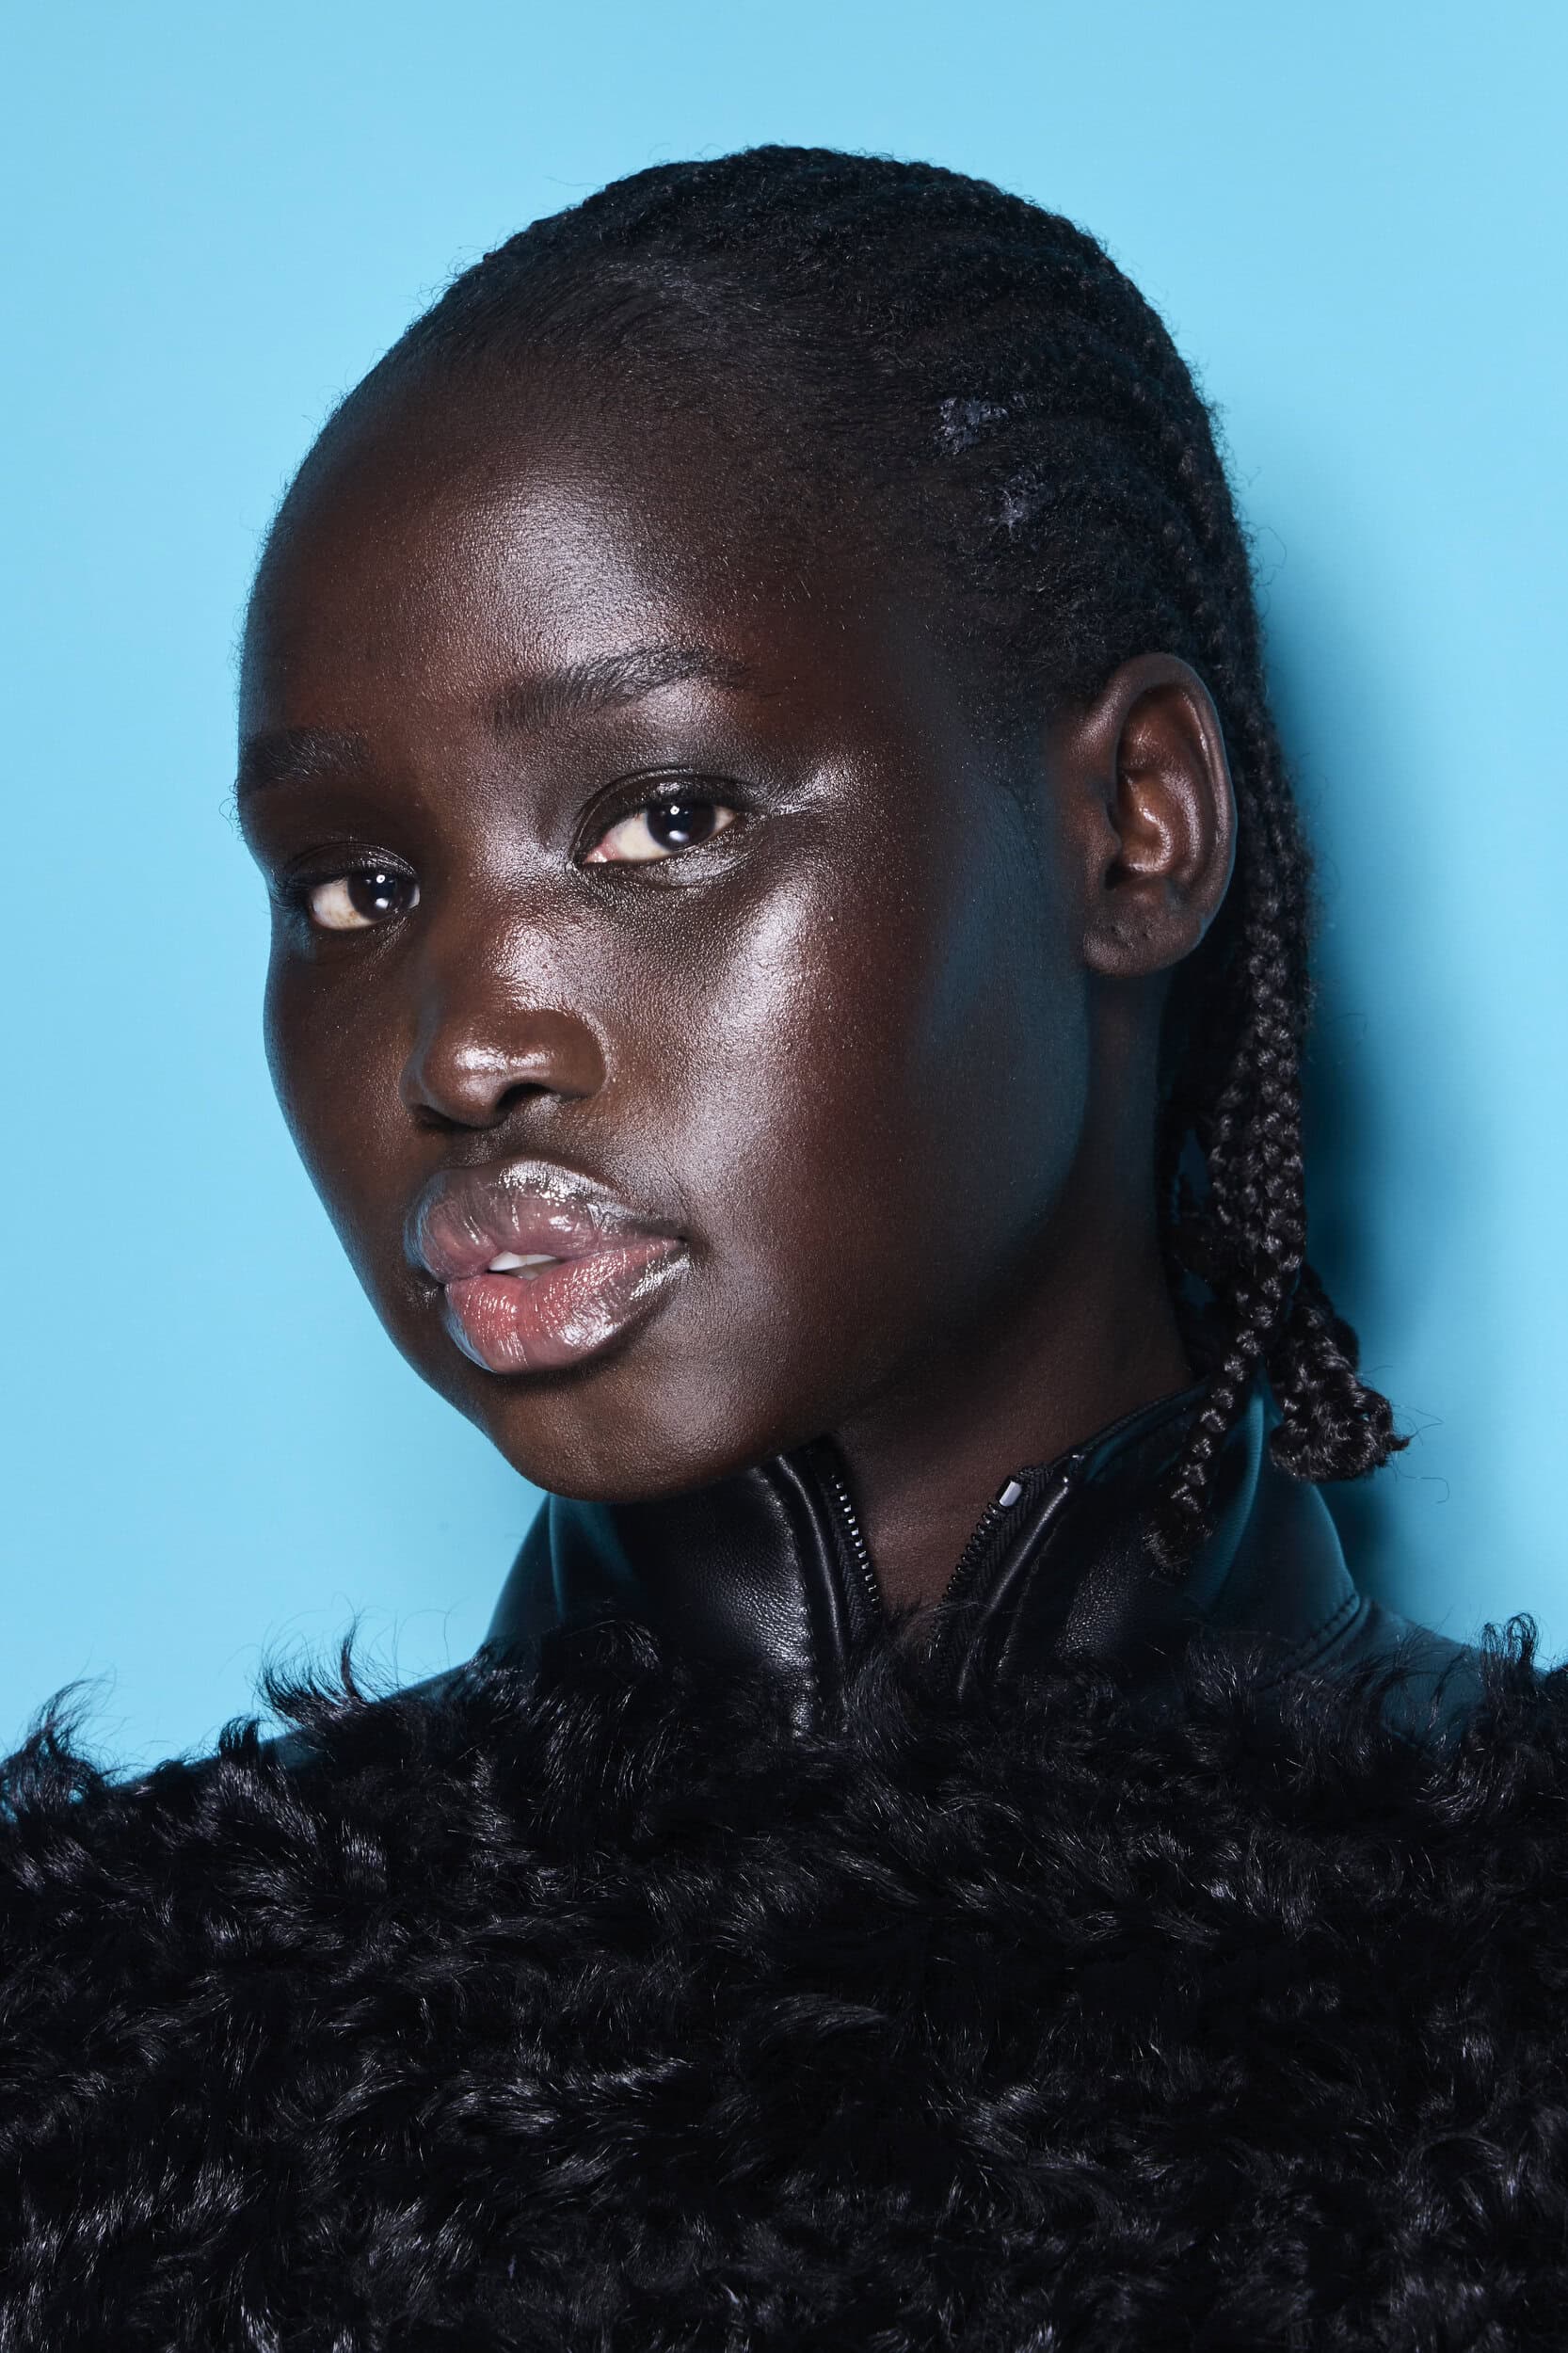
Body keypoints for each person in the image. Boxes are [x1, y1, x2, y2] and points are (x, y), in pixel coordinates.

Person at [3, 147, 1564, 2348]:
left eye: (662, 817)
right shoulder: (103, 2037)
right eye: (355, 885)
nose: (463, 1043)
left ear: (1134, 825)